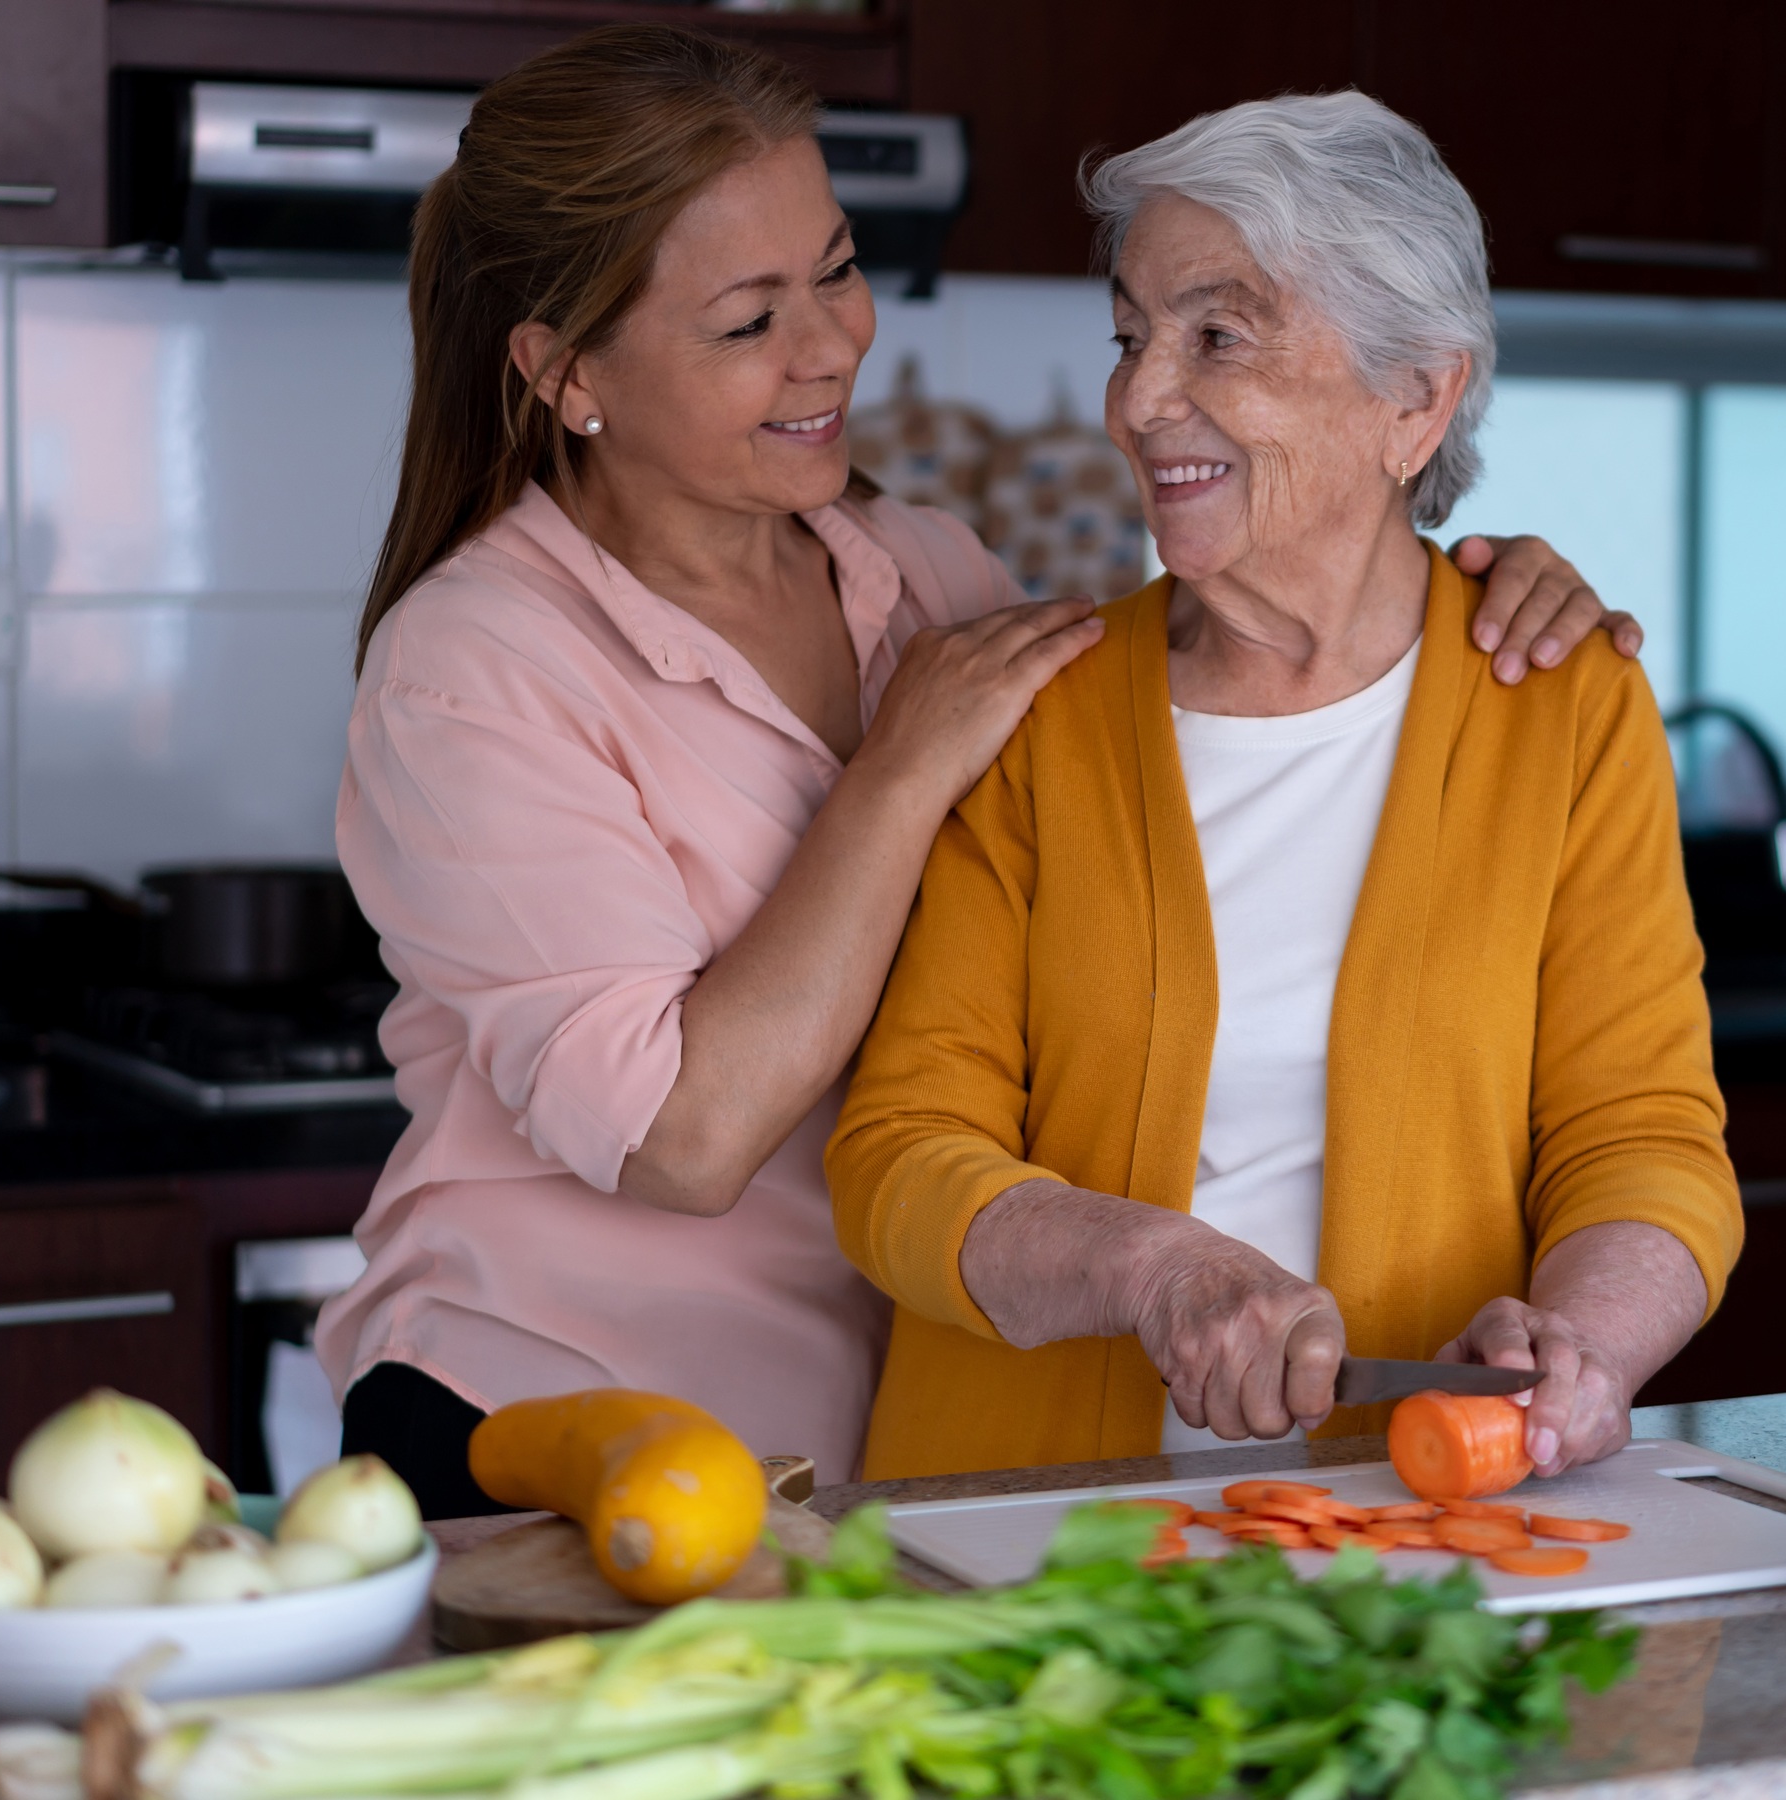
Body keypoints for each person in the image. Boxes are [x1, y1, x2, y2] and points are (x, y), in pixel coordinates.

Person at [314, 28, 1643, 1514]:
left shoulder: (926, 575)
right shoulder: (474, 663)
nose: (831, 345)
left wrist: (1494, 583)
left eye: (835, 268)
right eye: (751, 320)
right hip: (556, 1420)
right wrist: (895, 774)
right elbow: (676, 1138)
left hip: (847, 1453)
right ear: (567, 375)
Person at [828, 92, 1742, 1482]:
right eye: (1133, 336)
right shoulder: (1034, 712)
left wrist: (1586, 1344)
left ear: (1416, 397)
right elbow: (898, 1158)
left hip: (1424, 1530)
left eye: (1218, 335)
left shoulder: (1564, 710)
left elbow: (1644, 1133)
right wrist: (1152, 1268)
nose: (1138, 400)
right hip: (1030, 1545)